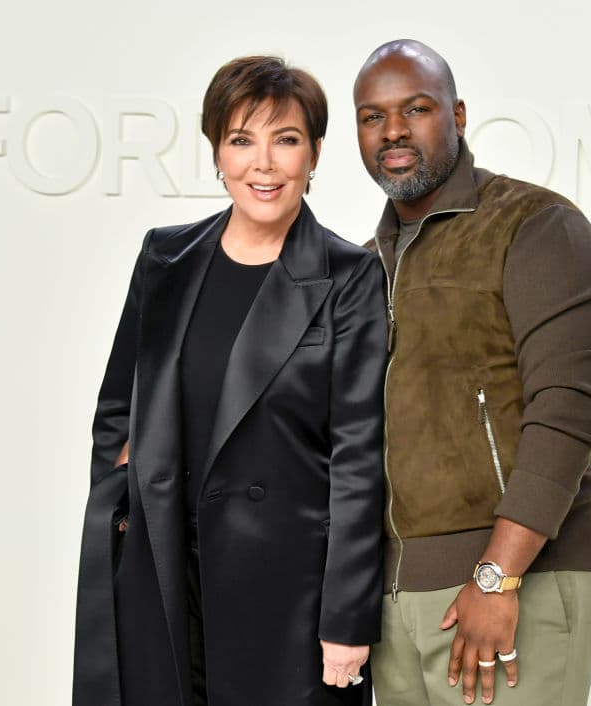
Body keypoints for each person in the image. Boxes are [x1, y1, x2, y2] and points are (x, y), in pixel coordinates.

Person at [72, 56, 387, 706]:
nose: (263, 164)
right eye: (242, 139)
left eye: (286, 140)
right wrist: (124, 512)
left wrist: (346, 620)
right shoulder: (167, 258)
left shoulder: (349, 277)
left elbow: (359, 460)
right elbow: (118, 410)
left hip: (289, 593)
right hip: (163, 578)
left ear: (315, 153)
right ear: (218, 150)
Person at [352, 40, 591, 706]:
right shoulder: (361, 266)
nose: (393, 132)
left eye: (416, 109)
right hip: (392, 600)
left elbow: (568, 412)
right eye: (372, 116)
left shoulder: (534, 226)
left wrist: (498, 575)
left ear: (458, 114)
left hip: (513, 577)